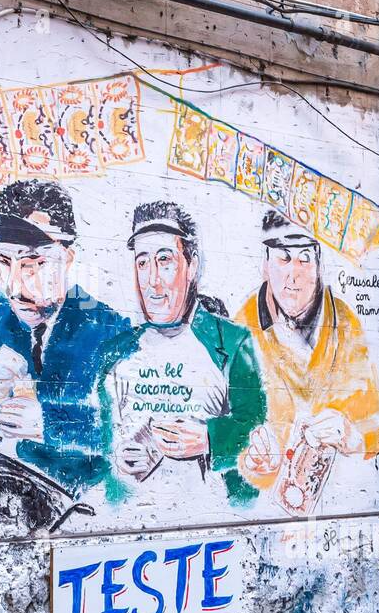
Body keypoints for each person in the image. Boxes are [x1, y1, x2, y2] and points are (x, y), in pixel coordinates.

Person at [0, 180, 129, 493]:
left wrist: (48, 424)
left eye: (35, 263)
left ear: (68, 260)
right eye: (5, 262)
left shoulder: (108, 330)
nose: (15, 287)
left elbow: (125, 432)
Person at [97, 201, 266, 505]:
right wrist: (119, 456)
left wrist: (208, 439)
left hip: (211, 522)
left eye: (165, 260)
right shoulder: (115, 353)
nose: (152, 281)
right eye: (143, 263)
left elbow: (258, 427)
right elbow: (99, 434)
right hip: (126, 519)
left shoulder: (232, 342)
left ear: (193, 266)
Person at [234, 211, 379, 514]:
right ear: (265, 266)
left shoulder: (345, 324)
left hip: (345, 516)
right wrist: (255, 460)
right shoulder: (241, 330)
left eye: (304, 258)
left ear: (320, 266)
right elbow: (228, 435)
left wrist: (355, 436)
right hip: (268, 519)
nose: (293, 274)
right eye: (283, 258)